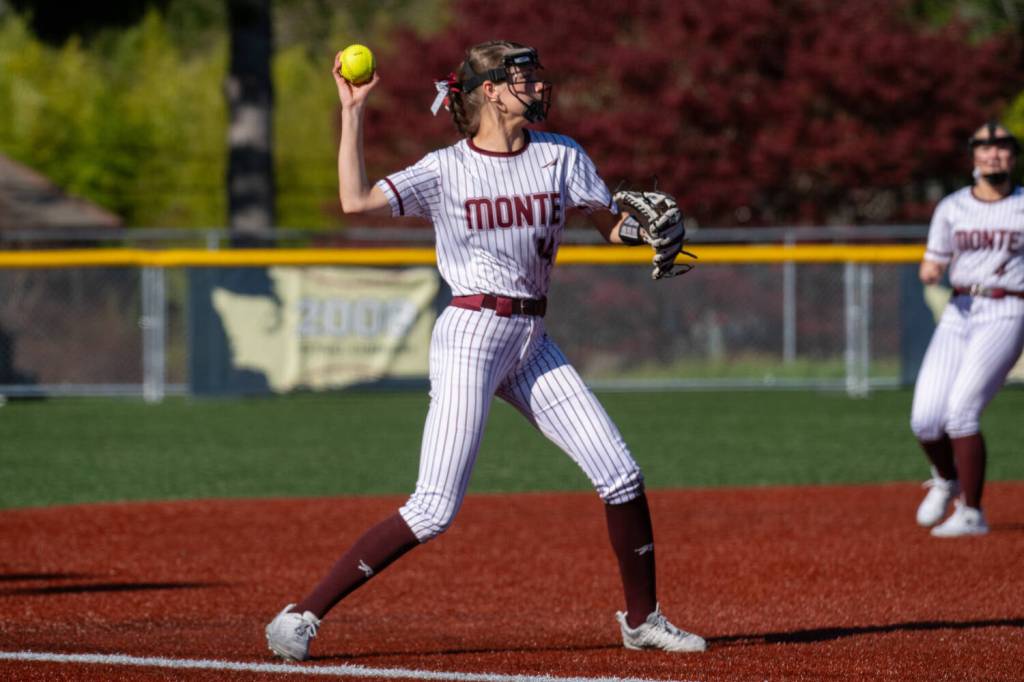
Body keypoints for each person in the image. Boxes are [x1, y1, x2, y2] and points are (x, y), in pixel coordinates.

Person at [263, 40, 706, 659]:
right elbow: (355, 201)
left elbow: (609, 224)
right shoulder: (446, 168)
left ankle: (643, 619)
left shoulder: (561, 155)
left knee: (621, 474)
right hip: (471, 334)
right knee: (434, 508)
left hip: (531, 338)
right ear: (490, 91)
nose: (538, 86)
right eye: (522, 77)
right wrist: (352, 112)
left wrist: (643, 230)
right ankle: (302, 616)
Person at [910, 121, 1024, 538]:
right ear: (973, 156)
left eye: (1002, 147)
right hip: (960, 308)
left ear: (1013, 156)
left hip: (1008, 307)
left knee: (961, 413)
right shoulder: (953, 207)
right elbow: (934, 259)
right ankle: (946, 480)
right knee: (925, 420)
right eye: (985, 147)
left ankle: (972, 512)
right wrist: (930, 268)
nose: (994, 154)